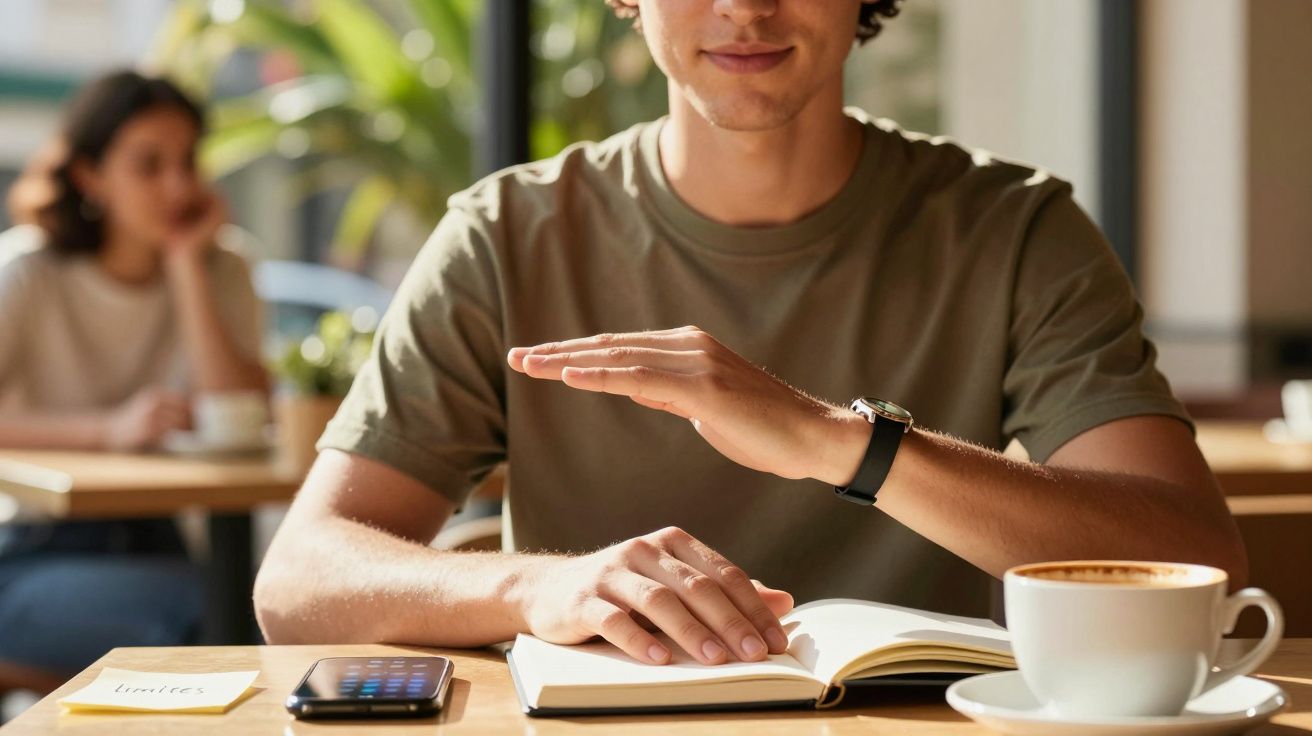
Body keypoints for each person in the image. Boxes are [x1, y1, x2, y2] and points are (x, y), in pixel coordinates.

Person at [255, 0, 1246, 668]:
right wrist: (540, 583)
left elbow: (1198, 561)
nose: (744, 6)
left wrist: (840, 442)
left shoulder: (1013, 229)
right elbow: (300, 580)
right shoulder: (506, 235)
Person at [0, 70, 266, 689]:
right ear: (90, 175)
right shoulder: (28, 273)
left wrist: (185, 269)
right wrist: (107, 431)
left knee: (244, 612)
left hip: (163, 543)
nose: (177, 184)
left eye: (187, 161)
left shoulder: (224, 267)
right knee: (224, 618)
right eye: (149, 164)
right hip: (35, 551)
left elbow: (241, 413)